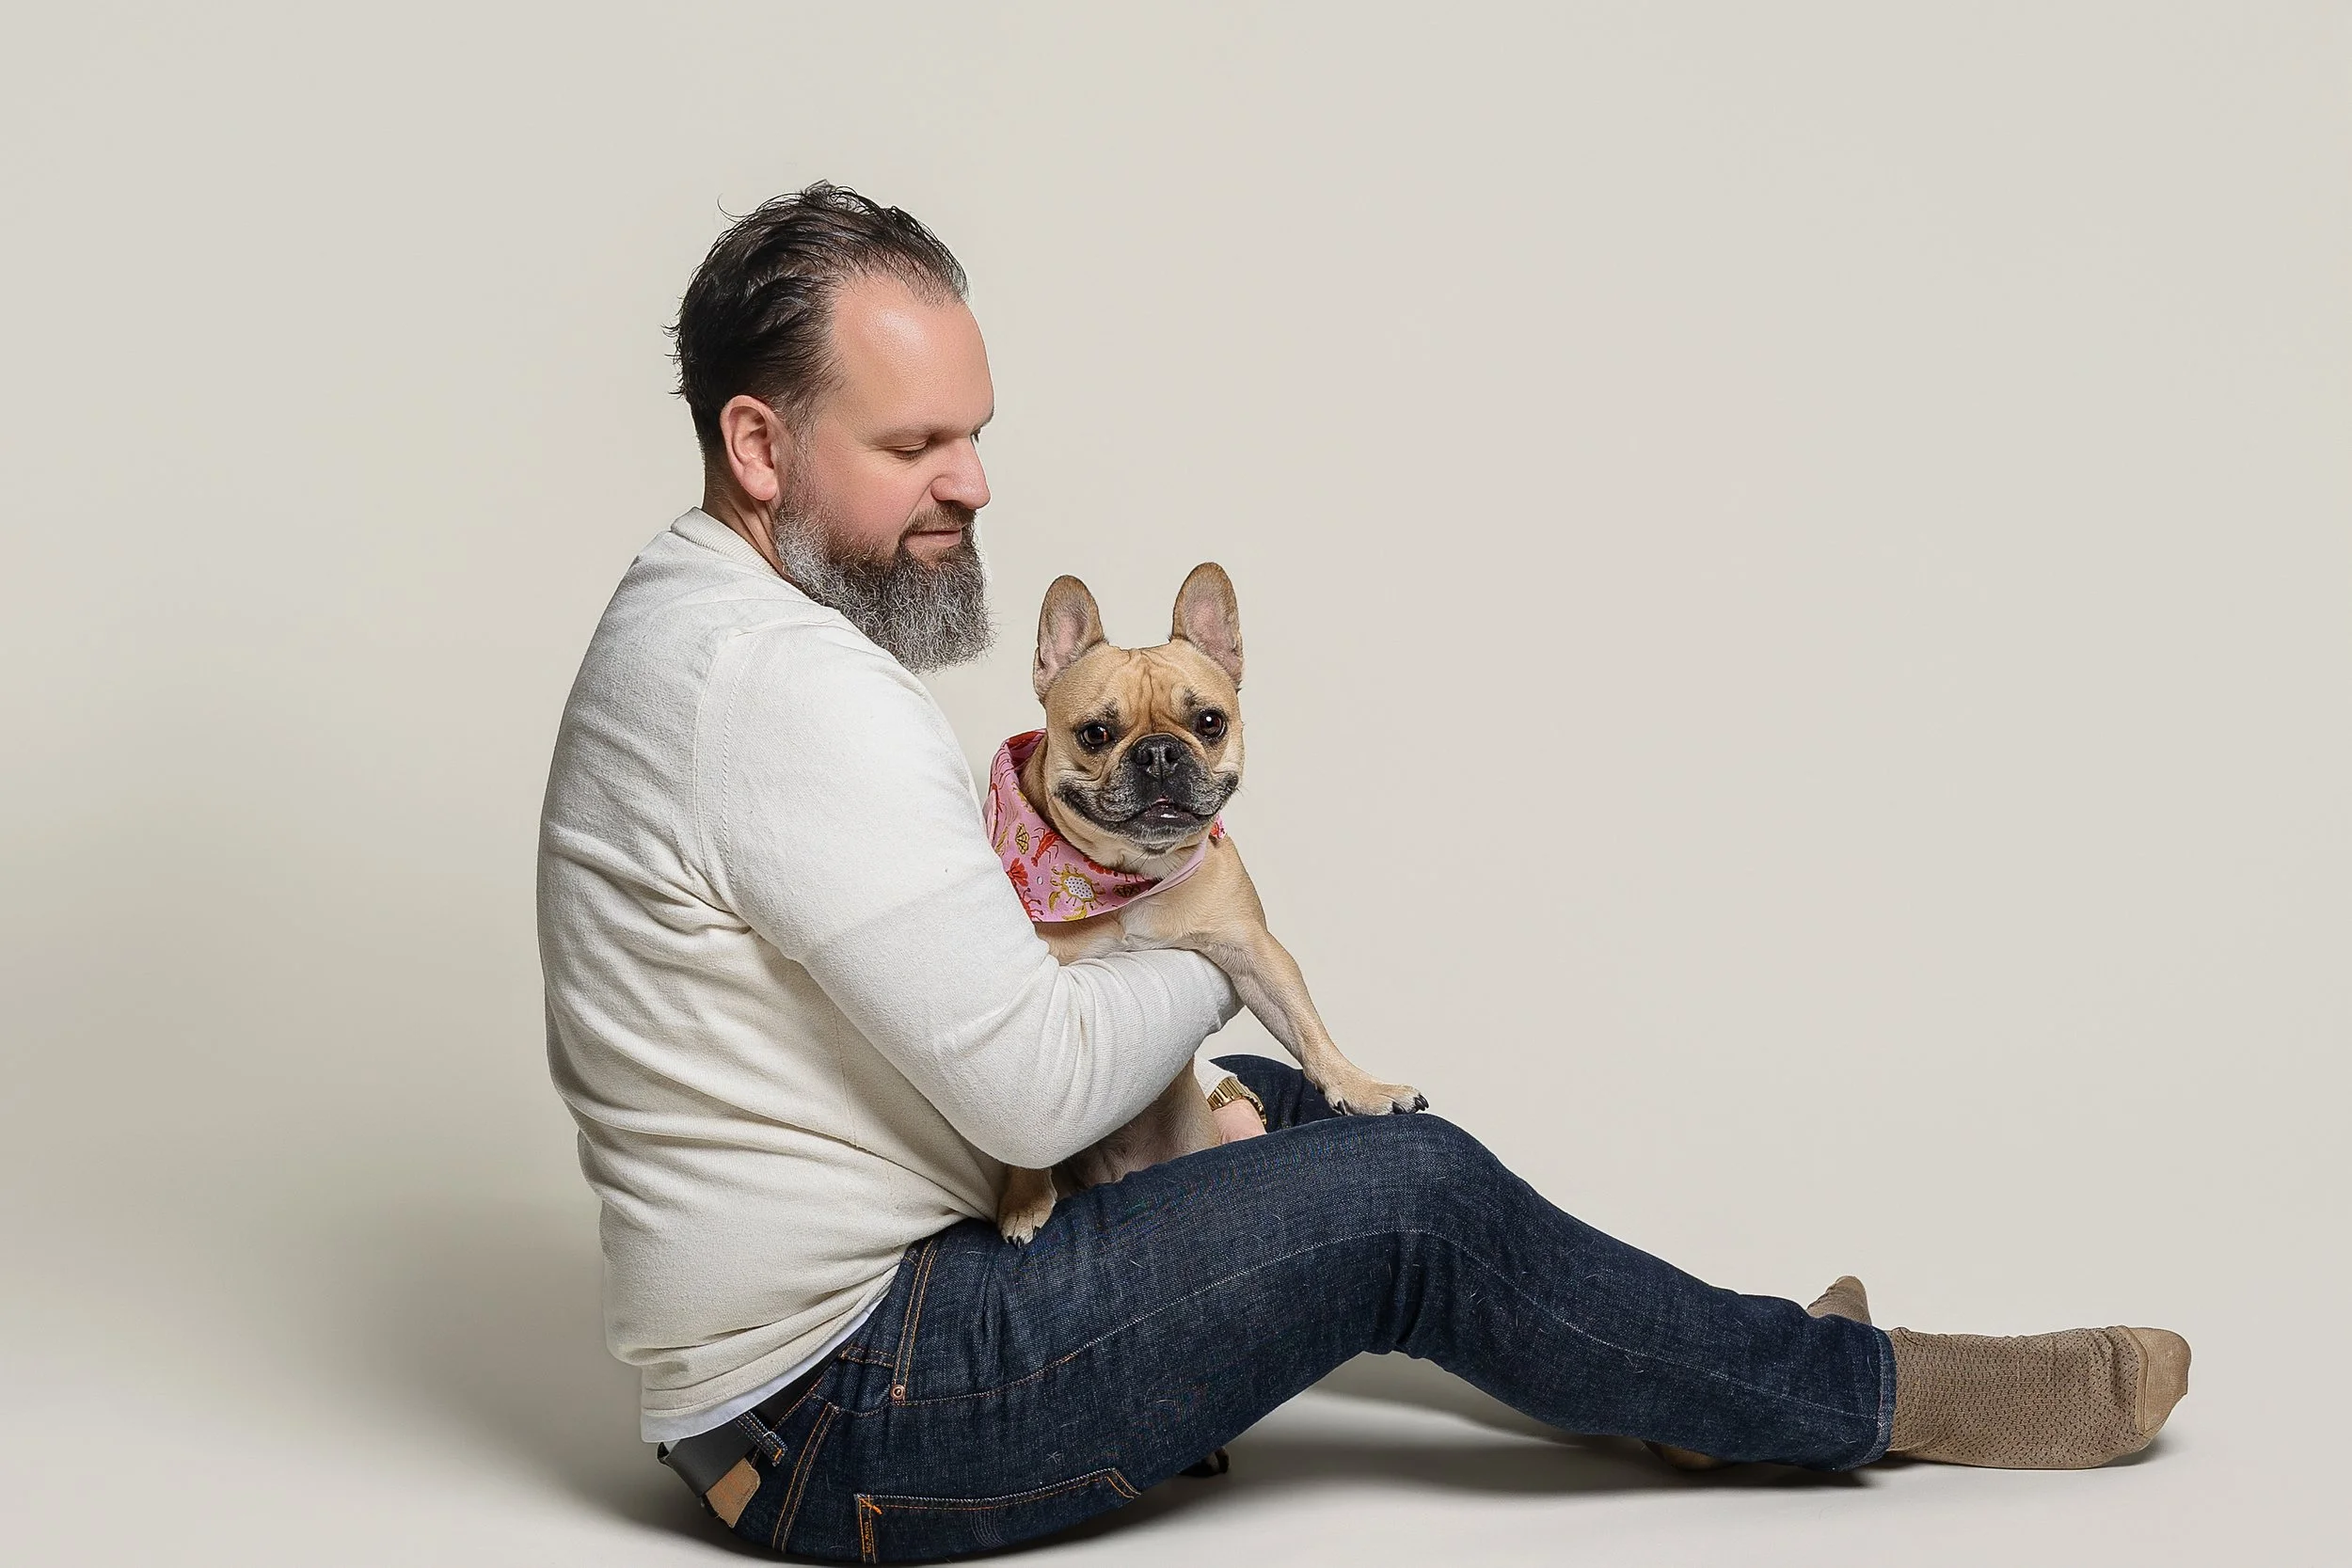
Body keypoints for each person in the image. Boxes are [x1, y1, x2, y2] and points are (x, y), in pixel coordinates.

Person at [537, 182, 2190, 1563]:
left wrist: (1191, 1004)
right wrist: (1204, 912)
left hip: (820, 1357)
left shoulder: (692, 622)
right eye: (916, 445)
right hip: (856, 1406)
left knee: (1300, 1099)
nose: (971, 484)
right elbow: (1036, 1098)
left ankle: (1689, 1377)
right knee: (1411, 1195)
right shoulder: (790, 695)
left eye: (976, 435)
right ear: (760, 444)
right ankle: (1866, 1392)